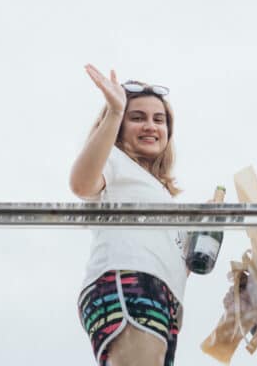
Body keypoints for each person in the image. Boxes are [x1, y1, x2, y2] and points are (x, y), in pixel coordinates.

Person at [70, 65, 187, 366]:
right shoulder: (114, 159)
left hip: (165, 296)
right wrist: (114, 111)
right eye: (137, 118)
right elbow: (81, 184)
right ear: (119, 127)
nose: (151, 126)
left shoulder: (159, 192)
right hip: (128, 279)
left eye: (159, 120)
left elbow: (178, 262)